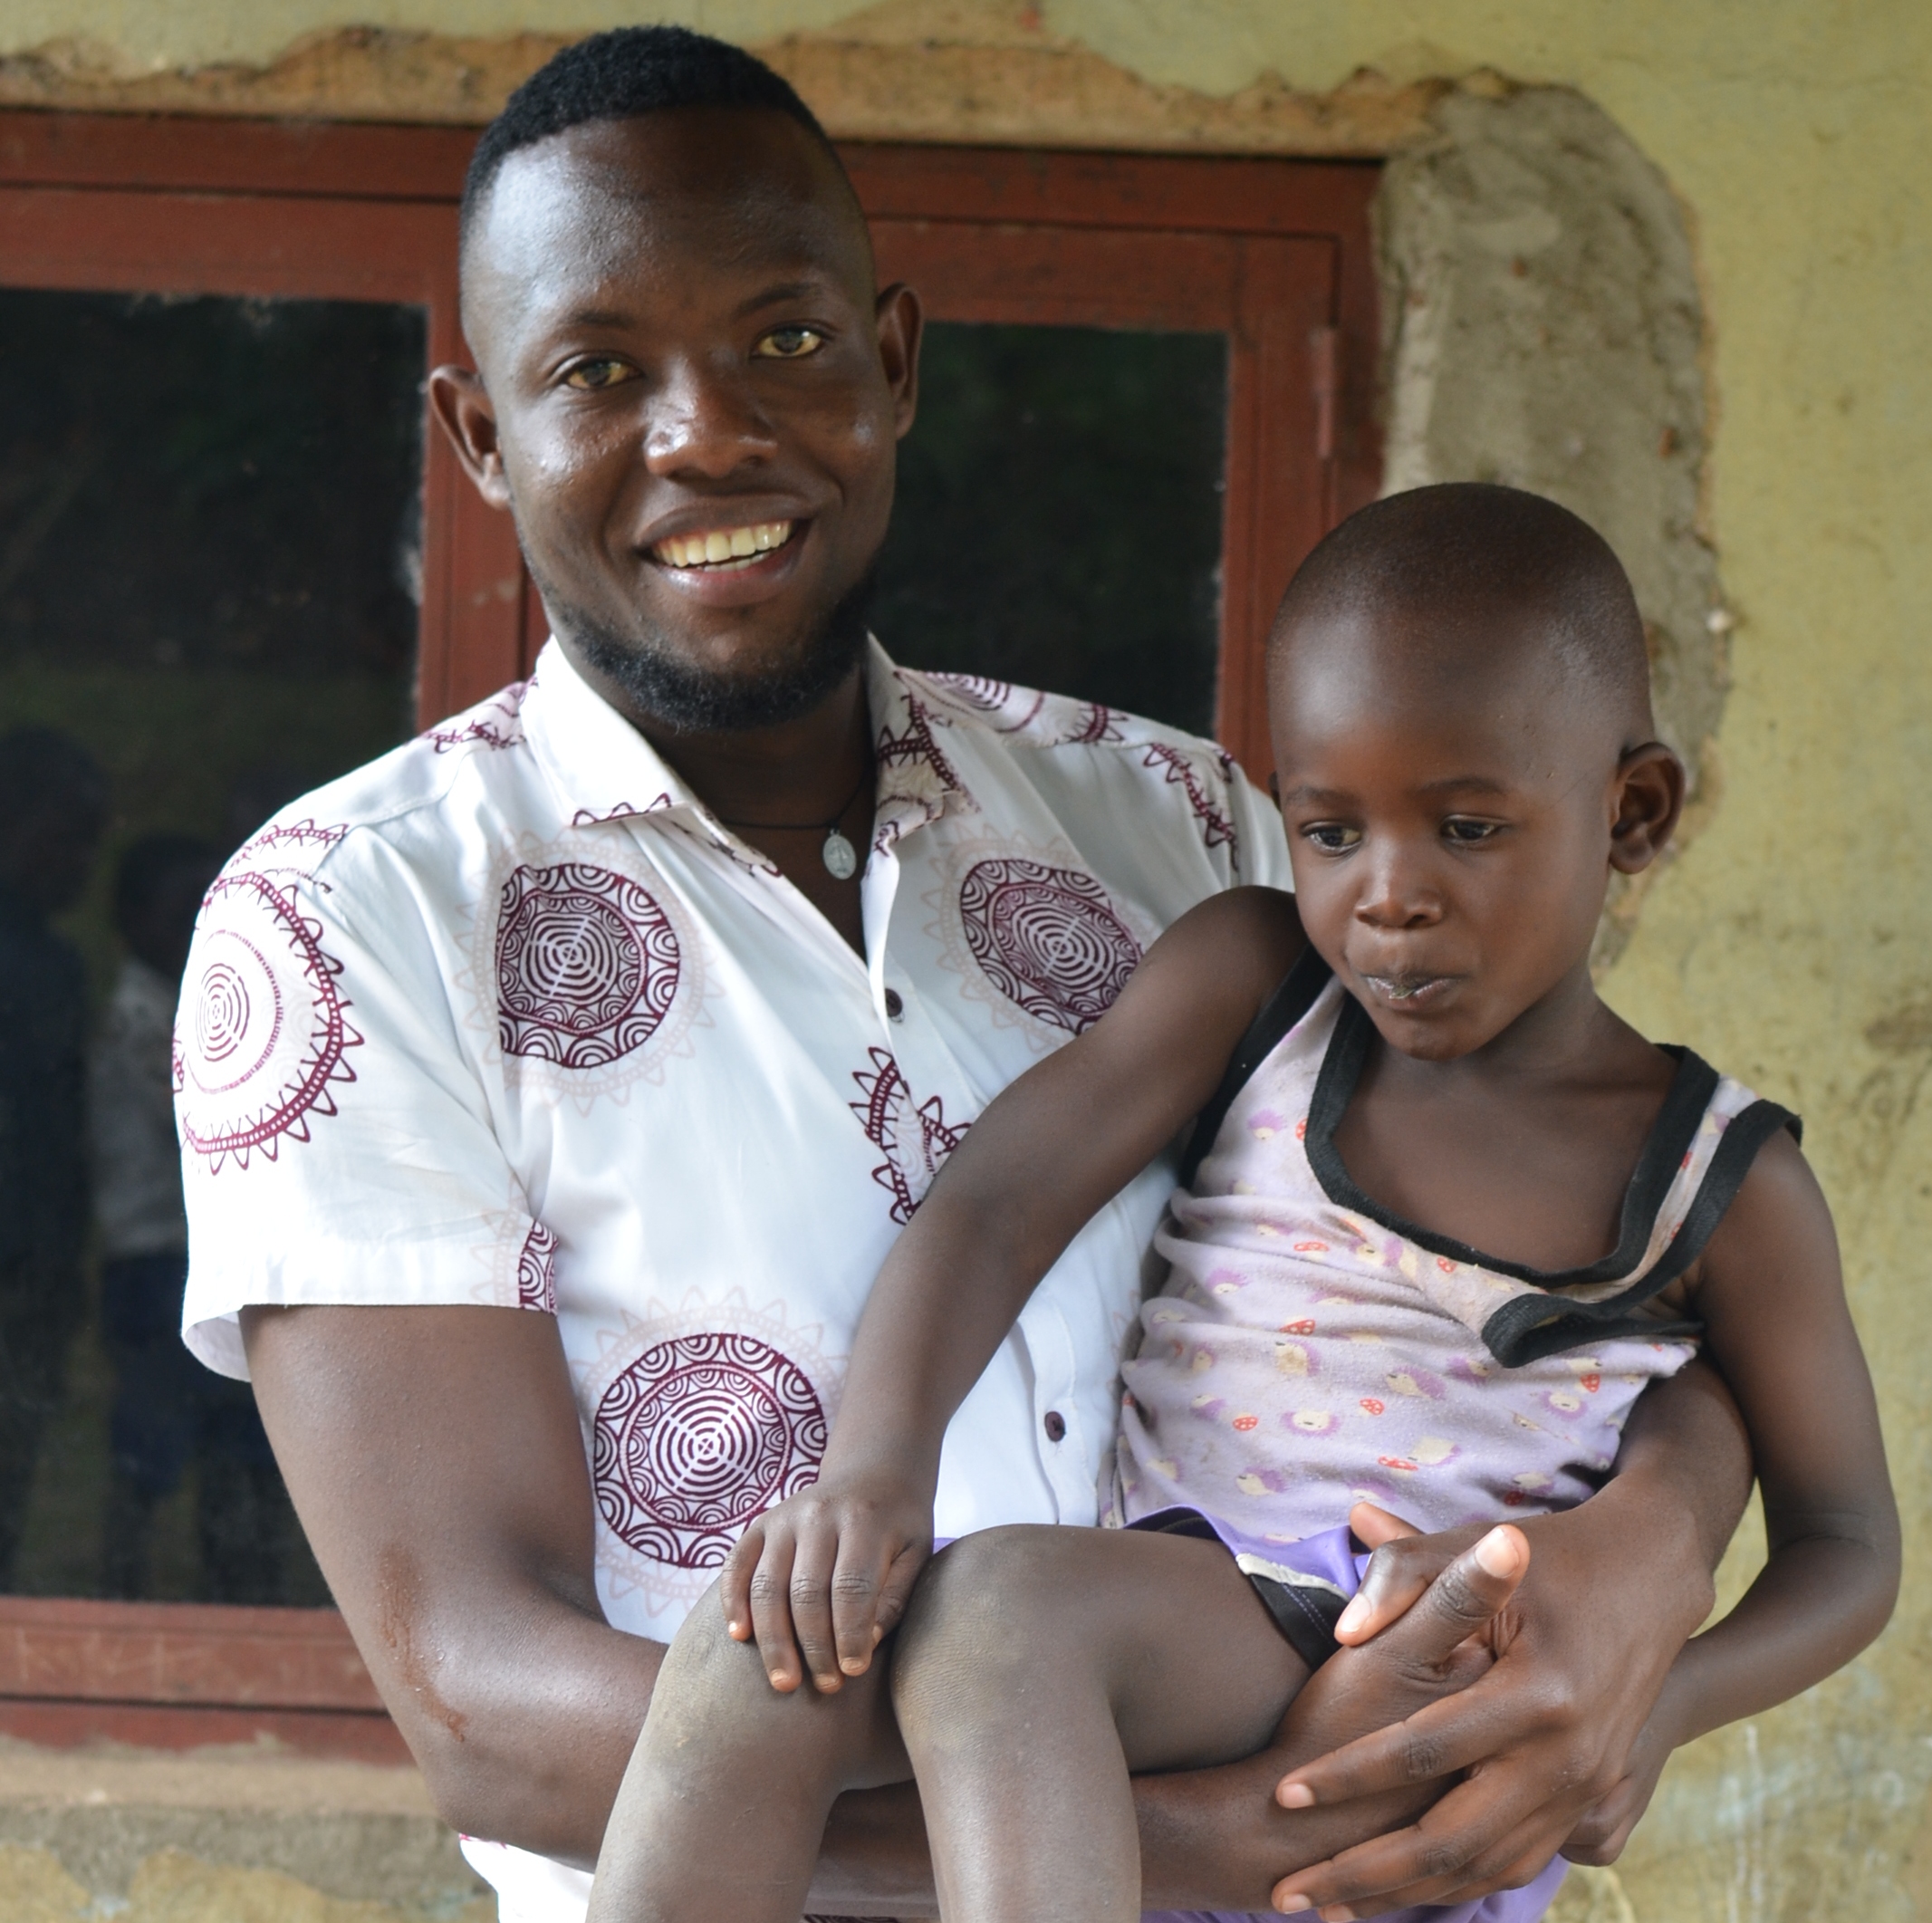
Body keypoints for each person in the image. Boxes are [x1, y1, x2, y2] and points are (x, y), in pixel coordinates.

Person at [178, 31, 1756, 1923]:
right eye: (597, 371)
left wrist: (1647, 1546)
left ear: (894, 363)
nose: (705, 433)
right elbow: (484, 1702)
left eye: (784, 338)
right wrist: (1176, 1831)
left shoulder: (1189, 828)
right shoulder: (354, 920)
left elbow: (1616, 1252)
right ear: (477, 436)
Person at [585, 484, 1899, 1923]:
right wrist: (874, 1470)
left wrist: (1656, 1698)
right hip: (1157, 1635)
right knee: (750, 1651)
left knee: (1000, 1616)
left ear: (1630, 811)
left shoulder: (1719, 1178)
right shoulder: (1263, 987)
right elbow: (999, 1200)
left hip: (1401, 1685)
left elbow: (1845, 1543)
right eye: (1331, 831)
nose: (1387, 895)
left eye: (1465, 826)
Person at [92, 832, 291, 1601]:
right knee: (155, 1437)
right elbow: (193, 1129)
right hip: (155, 1259)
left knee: (234, 1434)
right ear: (133, 920)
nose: (195, 932)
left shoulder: (180, 1012)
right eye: (181, 916)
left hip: (192, 1256)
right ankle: (122, 1592)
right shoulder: (140, 1022)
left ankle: (235, 1588)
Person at [0, 726, 105, 1586]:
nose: (82, 864)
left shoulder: (53, 961)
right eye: (67, 837)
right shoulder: (32, 965)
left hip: (32, 1260)